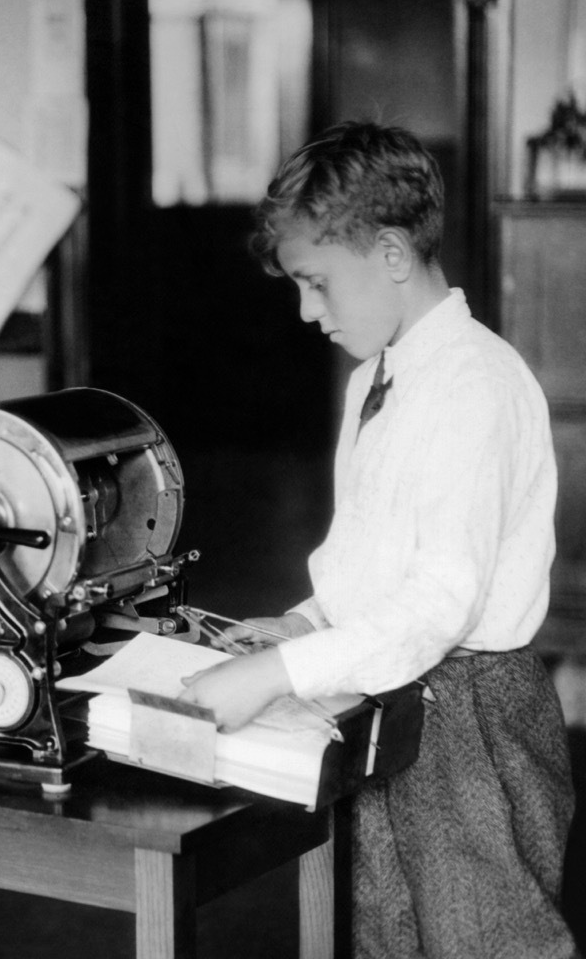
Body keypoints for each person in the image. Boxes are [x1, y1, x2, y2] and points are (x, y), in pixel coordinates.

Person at [178, 121, 579, 958]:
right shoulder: (374, 379)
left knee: (487, 940)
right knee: (382, 932)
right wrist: (299, 624)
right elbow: (369, 565)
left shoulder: (476, 385)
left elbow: (439, 604)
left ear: (393, 254)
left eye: (317, 284)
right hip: (385, 698)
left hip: (472, 721)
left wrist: (278, 673)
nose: (306, 311)